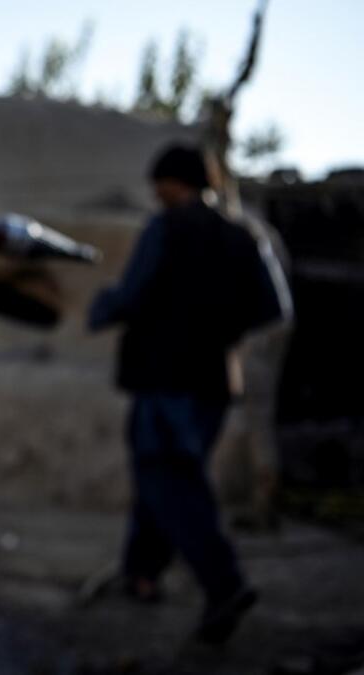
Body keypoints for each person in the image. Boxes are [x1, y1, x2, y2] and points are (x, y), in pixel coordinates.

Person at [88, 143, 280, 644]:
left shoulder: (165, 229)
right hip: (213, 383)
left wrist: (100, 308)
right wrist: (220, 329)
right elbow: (271, 306)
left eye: (160, 183)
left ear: (175, 182)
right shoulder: (242, 237)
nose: (156, 194)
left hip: (164, 379)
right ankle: (141, 574)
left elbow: (131, 294)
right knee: (163, 480)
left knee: (171, 484)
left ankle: (225, 584)